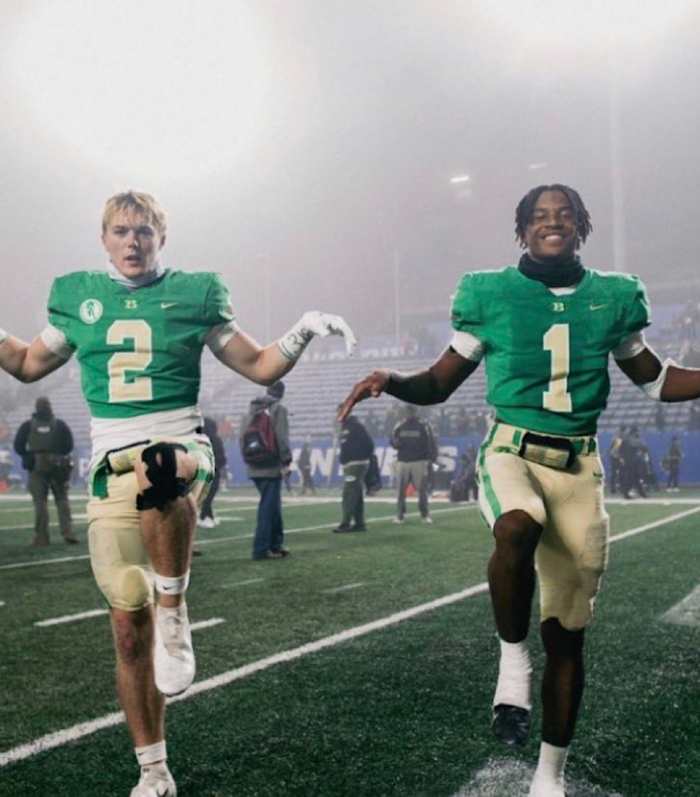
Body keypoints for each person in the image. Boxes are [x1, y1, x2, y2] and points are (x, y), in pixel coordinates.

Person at [338, 183, 700, 797]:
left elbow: (658, 382)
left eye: (563, 215)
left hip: (579, 467)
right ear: (523, 229)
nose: (551, 223)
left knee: (567, 635)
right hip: (513, 451)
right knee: (516, 524)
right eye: (539, 216)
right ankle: (512, 663)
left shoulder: (612, 298)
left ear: (580, 226)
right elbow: (438, 383)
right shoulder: (492, 294)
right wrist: (390, 380)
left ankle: (548, 775)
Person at [0, 191, 355, 797]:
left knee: (160, 466)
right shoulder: (79, 298)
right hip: (110, 465)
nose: (132, 241)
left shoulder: (195, 294)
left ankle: (174, 607)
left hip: (181, 445)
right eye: (120, 231)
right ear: (104, 239)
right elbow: (27, 365)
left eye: (143, 230)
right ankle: (154, 771)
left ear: (160, 237)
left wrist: (301, 331)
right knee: (126, 630)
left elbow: (260, 366)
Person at [13, 396, 77, 546]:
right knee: (62, 500)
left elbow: (18, 446)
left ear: (36, 408)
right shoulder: (60, 425)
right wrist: (58, 454)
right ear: (50, 407)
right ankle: (68, 532)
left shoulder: (28, 425)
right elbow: (69, 445)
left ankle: (42, 537)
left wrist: (29, 456)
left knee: (40, 502)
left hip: (37, 466)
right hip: (58, 466)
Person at [240, 381, 292, 560]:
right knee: (268, 508)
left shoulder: (250, 410)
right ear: (281, 394)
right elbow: (282, 437)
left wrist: (249, 460)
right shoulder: (278, 409)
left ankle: (275, 545)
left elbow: (242, 438)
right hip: (271, 466)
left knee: (272, 506)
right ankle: (261, 549)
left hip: (254, 465)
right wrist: (286, 461)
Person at [390, 404, 437, 524]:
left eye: (411, 411)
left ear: (415, 413)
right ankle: (400, 515)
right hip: (403, 461)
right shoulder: (399, 425)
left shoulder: (423, 425)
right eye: (407, 411)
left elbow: (431, 442)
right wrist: (395, 443)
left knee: (422, 490)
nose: (409, 414)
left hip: (419, 461)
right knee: (400, 491)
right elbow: (392, 439)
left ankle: (424, 514)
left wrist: (431, 458)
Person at [334, 407, 374, 533]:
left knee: (349, 492)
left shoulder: (356, 426)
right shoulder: (345, 427)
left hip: (355, 465)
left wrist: (358, 457)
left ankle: (345, 523)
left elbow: (369, 444)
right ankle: (359, 523)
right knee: (356, 493)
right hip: (350, 465)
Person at [198, 416, 227, 528]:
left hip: (201, 472)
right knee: (209, 495)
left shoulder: (199, 440)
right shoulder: (215, 439)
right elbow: (221, 457)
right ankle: (203, 517)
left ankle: (209, 517)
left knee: (206, 495)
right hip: (213, 471)